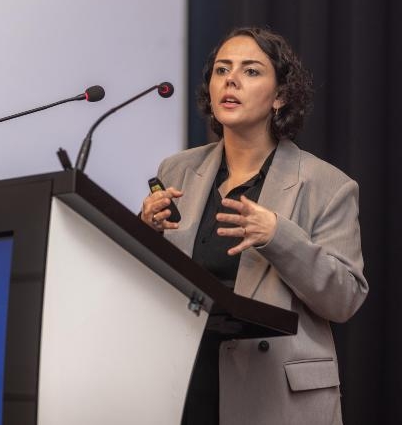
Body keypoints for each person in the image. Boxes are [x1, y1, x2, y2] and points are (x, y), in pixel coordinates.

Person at [140, 27, 368, 425]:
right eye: (222, 69)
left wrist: (278, 237)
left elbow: (344, 299)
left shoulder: (327, 184)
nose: (231, 80)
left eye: (250, 71)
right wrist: (147, 231)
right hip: (185, 381)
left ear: (280, 96)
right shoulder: (177, 169)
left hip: (273, 394)